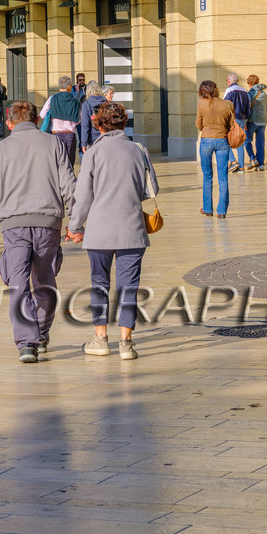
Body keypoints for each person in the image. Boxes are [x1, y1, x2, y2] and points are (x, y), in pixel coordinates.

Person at [0, 98, 74, 363]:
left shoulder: (1, 149)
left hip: (14, 226)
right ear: (36, 120)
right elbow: (70, 187)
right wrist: (75, 223)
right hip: (48, 224)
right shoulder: (54, 144)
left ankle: (26, 342)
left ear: (8, 123)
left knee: (18, 284)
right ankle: (40, 332)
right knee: (45, 281)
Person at [69, 101, 159, 361]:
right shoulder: (138, 150)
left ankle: (100, 338)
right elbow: (151, 188)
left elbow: (83, 195)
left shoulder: (93, 153)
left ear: (99, 125)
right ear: (124, 122)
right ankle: (126, 343)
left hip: (100, 230)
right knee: (129, 287)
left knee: (99, 284)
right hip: (132, 228)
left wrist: (75, 226)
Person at [196, 79, 234, 218]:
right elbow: (230, 124)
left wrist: (207, 129)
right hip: (222, 140)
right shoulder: (227, 104)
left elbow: (198, 124)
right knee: (223, 177)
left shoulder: (202, 103)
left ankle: (207, 209)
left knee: (207, 176)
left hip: (206, 140)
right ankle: (222, 211)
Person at [40, 77, 83, 167]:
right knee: (69, 165)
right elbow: (79, 120)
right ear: (69, 87)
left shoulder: (52, 98)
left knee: (56, 163)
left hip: (55, 135)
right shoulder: (75, 102)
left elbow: (42, 115)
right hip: (70, 135)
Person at [224, 74, 252, 173]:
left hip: (233, 120)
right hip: (243, 119)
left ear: (229, 81)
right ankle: (241, 167)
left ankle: (233, 161)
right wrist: (246, 120)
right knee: (240, 142)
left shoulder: (229, 91)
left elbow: (225, 106)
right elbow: (248, 107)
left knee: (225, 141)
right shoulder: (244, 91)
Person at [245, 75, 267, 171]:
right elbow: (266, 108)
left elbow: (247, 109)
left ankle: (253, 159)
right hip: (262, 122)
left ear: (250, 84)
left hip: (252, 121)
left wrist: (245, 121)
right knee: (260, 144)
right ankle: (261, 165)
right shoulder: (264, 94)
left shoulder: (250, 94)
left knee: (246, 140)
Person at [77, 81, 108, 152]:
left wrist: (83, 143)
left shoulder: (86, 104)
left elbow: (85, 126)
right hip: (105, 137)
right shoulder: (106, 103)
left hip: (92, 139)